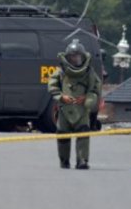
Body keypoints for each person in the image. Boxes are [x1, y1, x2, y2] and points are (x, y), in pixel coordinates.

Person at [47, 38, 101, 170]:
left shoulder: (89, 72)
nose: (75, 60)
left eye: (77, 57)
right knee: (62, 135)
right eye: (72, 57)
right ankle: (64, 160)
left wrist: (87, 98)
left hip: (82, 109)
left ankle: (82, 160)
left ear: (83, 57)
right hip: (64, 109)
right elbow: (52, 86)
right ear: (67, 58)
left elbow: (95, 88)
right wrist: (61, 97)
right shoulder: (60, 71)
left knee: (83, 134)